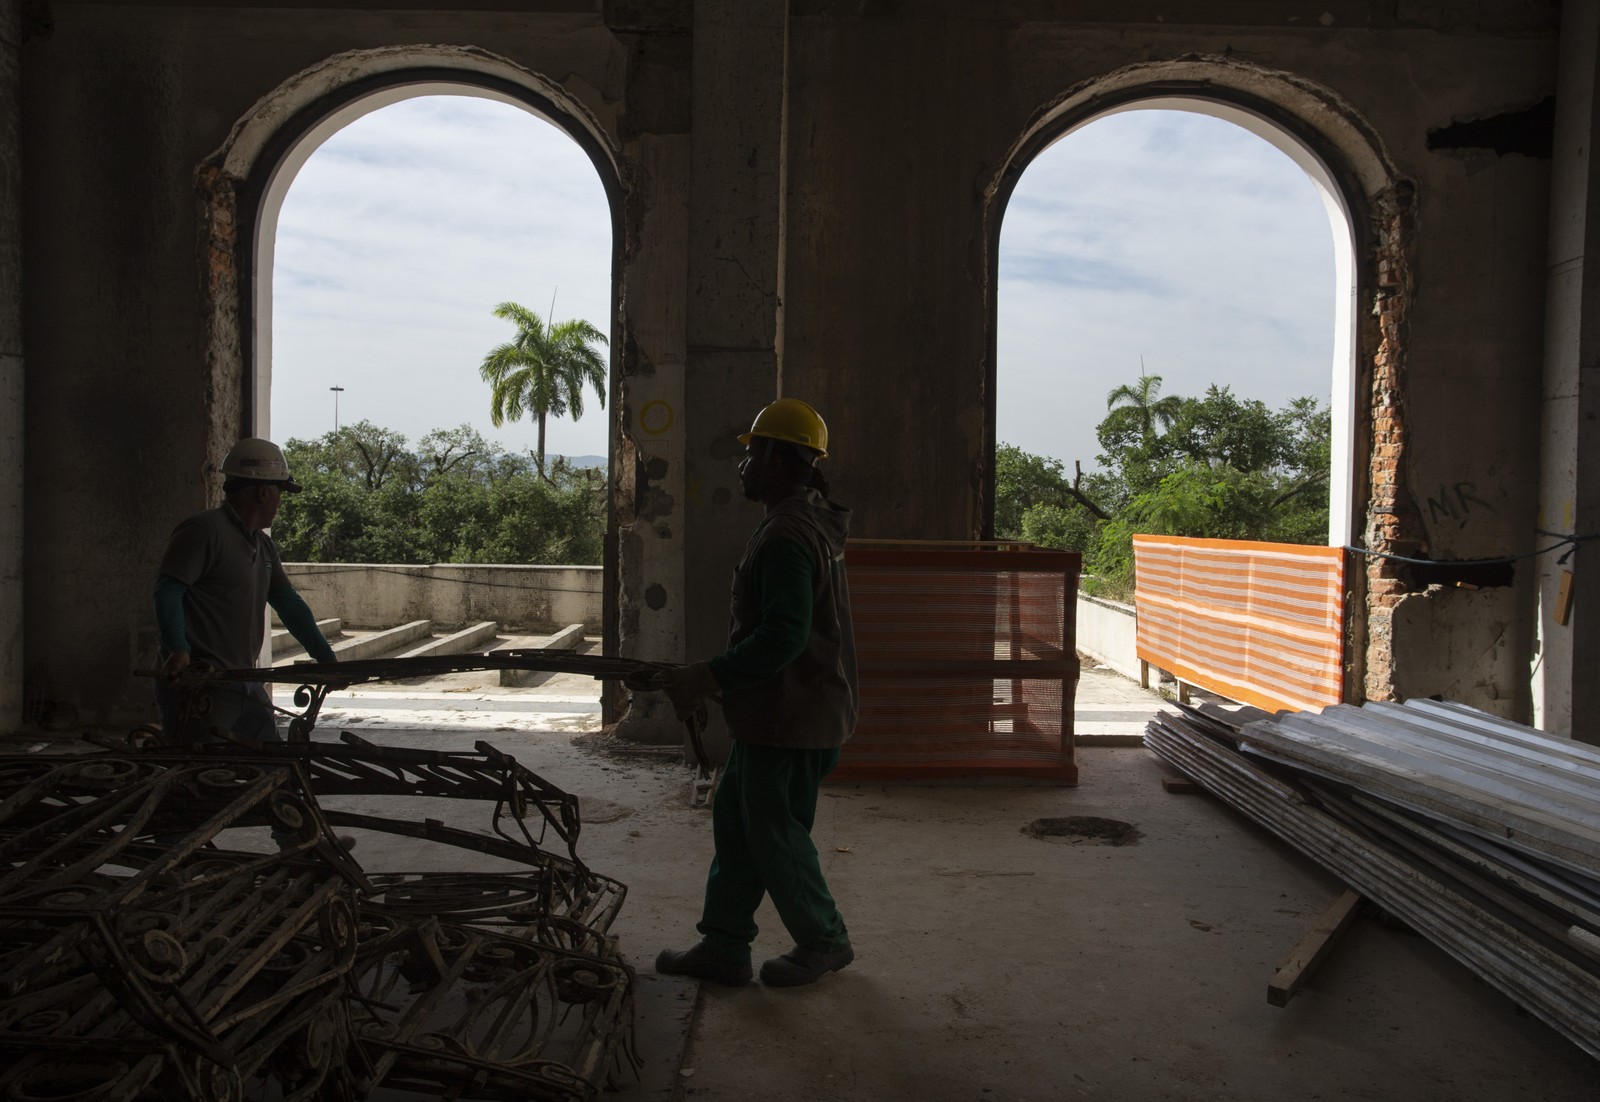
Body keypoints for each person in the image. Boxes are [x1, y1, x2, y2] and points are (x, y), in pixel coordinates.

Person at [656, 398, 859, 988]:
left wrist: (709, 675)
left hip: (792, 718)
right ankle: (723, 945)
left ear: (777, 458)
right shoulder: (797, 524)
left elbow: (784, 637)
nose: (742, 465)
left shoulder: (789, 536)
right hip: (777, 715)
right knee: (739, 823)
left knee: (774, 836)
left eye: (751, 453)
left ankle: (825, 939)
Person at [152, 437, 336, 743]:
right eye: (279, 492)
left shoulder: (262, 545)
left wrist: (326, 659)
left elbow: (287, 601)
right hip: (203, 684)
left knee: (273, 767)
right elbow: (168, 590)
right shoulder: (203, 532)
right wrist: (178, 649)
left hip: (244, 681)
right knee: (202, 771)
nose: (279, 501)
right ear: (264, 492)